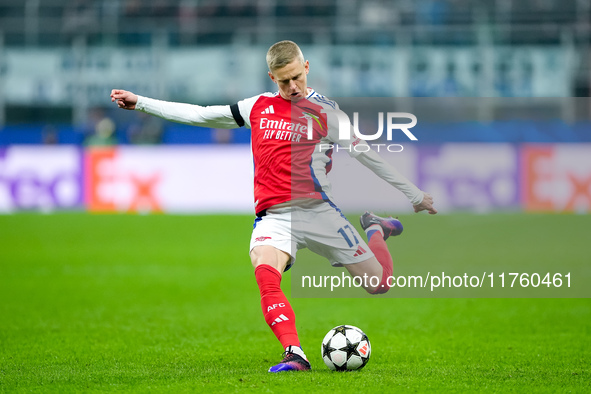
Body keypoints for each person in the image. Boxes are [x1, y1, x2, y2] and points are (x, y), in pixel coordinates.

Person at [110, 40, 437, 373]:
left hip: (319, 212)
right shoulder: (257, 107)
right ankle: (295, 354)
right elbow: (199, 114)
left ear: (306, 67)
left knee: (378, 284)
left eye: (297, 77)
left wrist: (414, 195)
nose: (293, 87)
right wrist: (141, 103)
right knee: (266, 276)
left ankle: (376, 228)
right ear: (272, 77)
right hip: (274, 217)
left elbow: (366, 154)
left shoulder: (327, 113)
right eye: (284, 81)